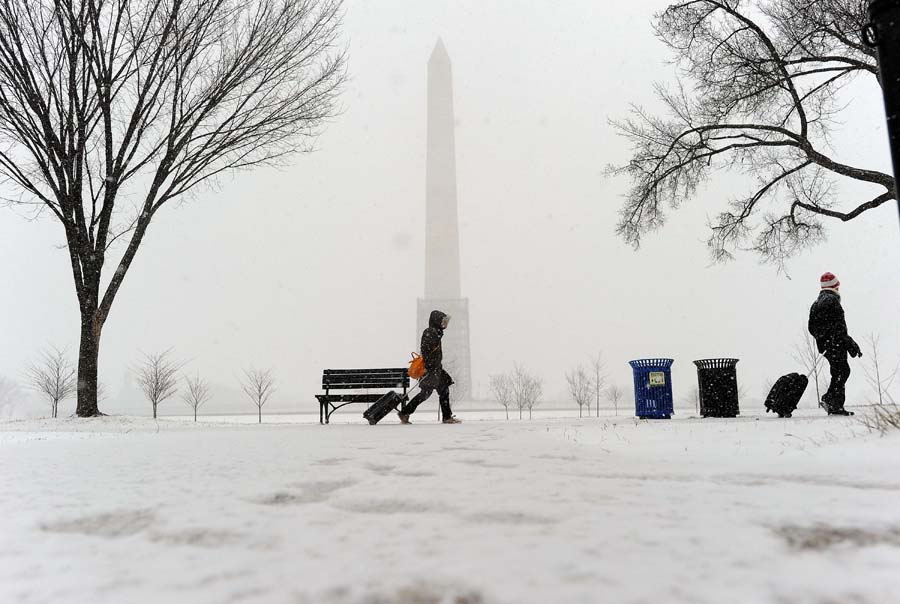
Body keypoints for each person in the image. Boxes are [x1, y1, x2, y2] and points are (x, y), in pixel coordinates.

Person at [807, 272, 862, 416]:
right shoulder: (833, 301)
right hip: (835, 344)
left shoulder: (816, 303)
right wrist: (849, 344)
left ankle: (834, 403)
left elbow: (811, 327)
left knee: (838, 371)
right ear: (835, 286)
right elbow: (839, 328)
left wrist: (822, 339)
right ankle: (831, 400)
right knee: (842, 370)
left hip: (826, 345)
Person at [399, 310, 461, 424]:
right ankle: (446, 417)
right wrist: (430, 366)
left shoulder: (434, 332)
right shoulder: (430, 332)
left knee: (429, 393)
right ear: (437, 321)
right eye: (443, 321)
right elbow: (426, 351)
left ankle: (405, 413)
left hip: (435, 368)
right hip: (432, 369)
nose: (445, 324)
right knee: (438, 391)